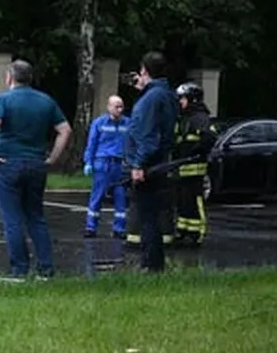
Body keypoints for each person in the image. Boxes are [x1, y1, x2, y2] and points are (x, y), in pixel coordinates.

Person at [0, 59, 72, 282]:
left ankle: (19, 270)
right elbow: (65, 130)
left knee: (12, 218)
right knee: (35, 216)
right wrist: (52, 158)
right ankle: (46, 269)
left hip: (9, 163)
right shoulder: (45, 101)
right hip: (36, 163)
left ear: (9, 77)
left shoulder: (3, 100)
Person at [124, 51, 179, 273]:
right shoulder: (165, 94)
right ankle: (154, 263)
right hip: (158, 162)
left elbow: (147, 135)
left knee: (147, 217)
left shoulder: (152, 98)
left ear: (144, 70)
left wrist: (138, 164)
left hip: (148, 164)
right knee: (153, 214)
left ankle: (151, 265)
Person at [172, 82, 218, 246]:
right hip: (181, 167)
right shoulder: (184, 119)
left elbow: (210, 137)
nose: (180, 102)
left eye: (182, 98)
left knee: (194, 200)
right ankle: (184, 229)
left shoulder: (200, 118)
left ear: (192, 99)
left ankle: (198, 232)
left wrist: (196, 152)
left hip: (195, 168)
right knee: (182, 201)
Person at [82, 95, 131, 239]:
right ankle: (91, 227)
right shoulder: (99, 123)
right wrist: (88, 162)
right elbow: (92, 144)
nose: (119, 109)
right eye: (116, 106)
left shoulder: (127, 123)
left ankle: (119, 228)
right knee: (97, 196)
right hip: (102, 163)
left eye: (121, 106)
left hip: (120, 164)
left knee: (120, 197)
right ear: (109, 107)